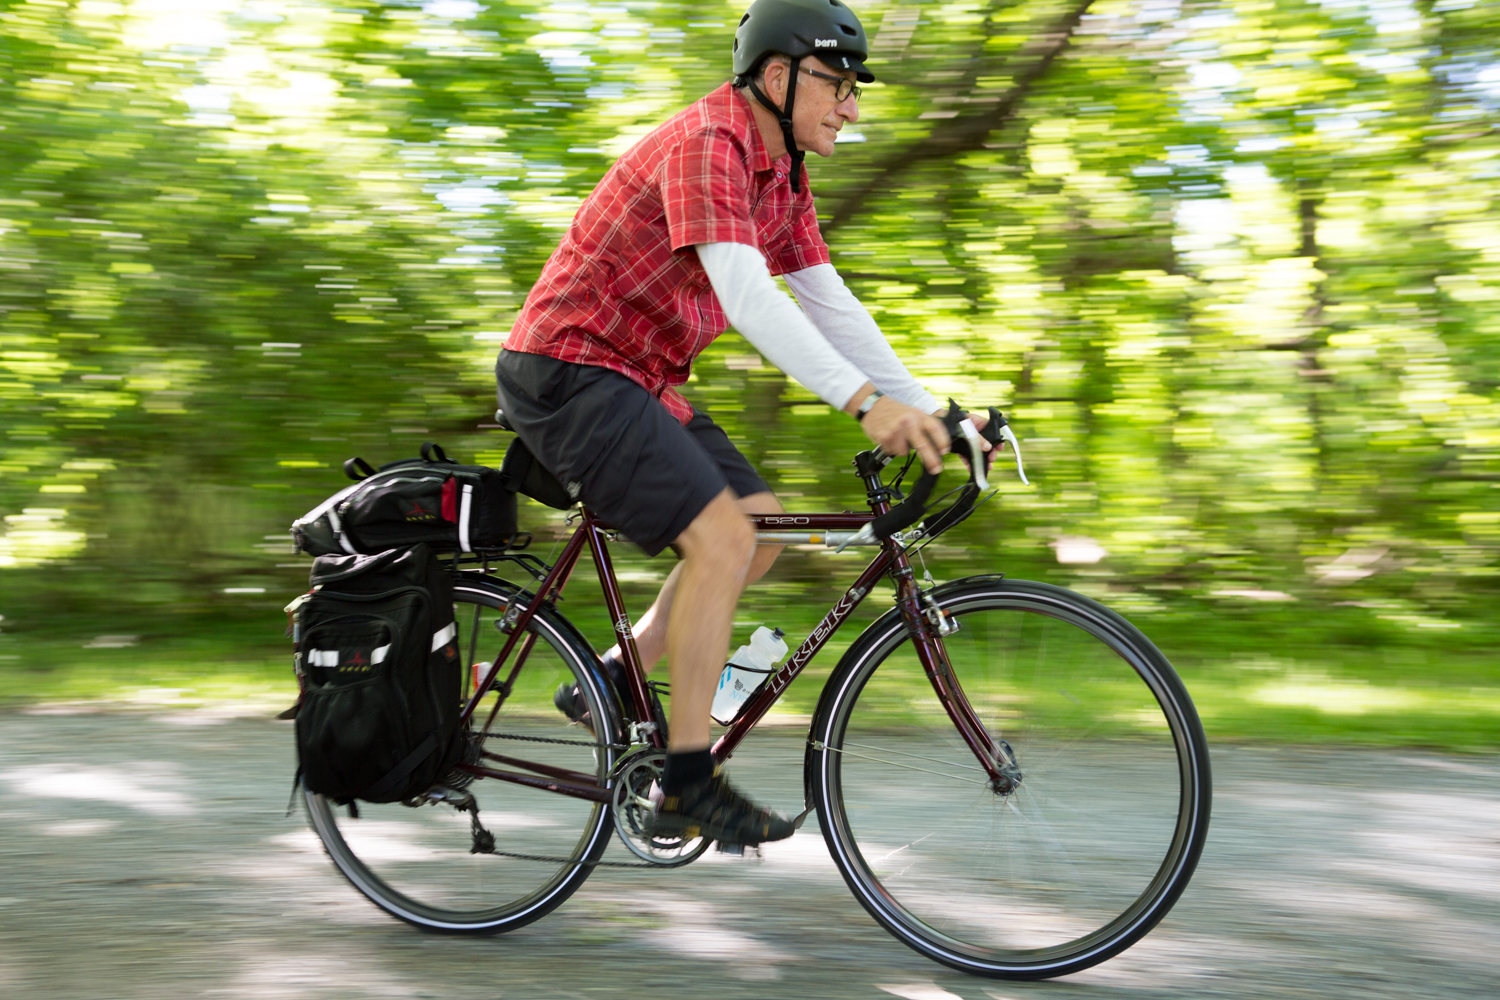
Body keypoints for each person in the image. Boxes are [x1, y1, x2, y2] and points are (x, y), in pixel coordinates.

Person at [495, 0, 987, 848]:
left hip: (638, 378)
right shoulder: (709, 143)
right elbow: (750, 296)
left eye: (854, 90)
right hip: (571, 368)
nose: (851, 106)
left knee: (758, 533)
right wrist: (867, 407)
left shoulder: (783, 177)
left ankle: (613, 681)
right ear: (776, 77)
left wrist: (931, 405)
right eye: (837, 84)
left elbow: (829, 303)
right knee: (720, 539)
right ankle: (687, 783)